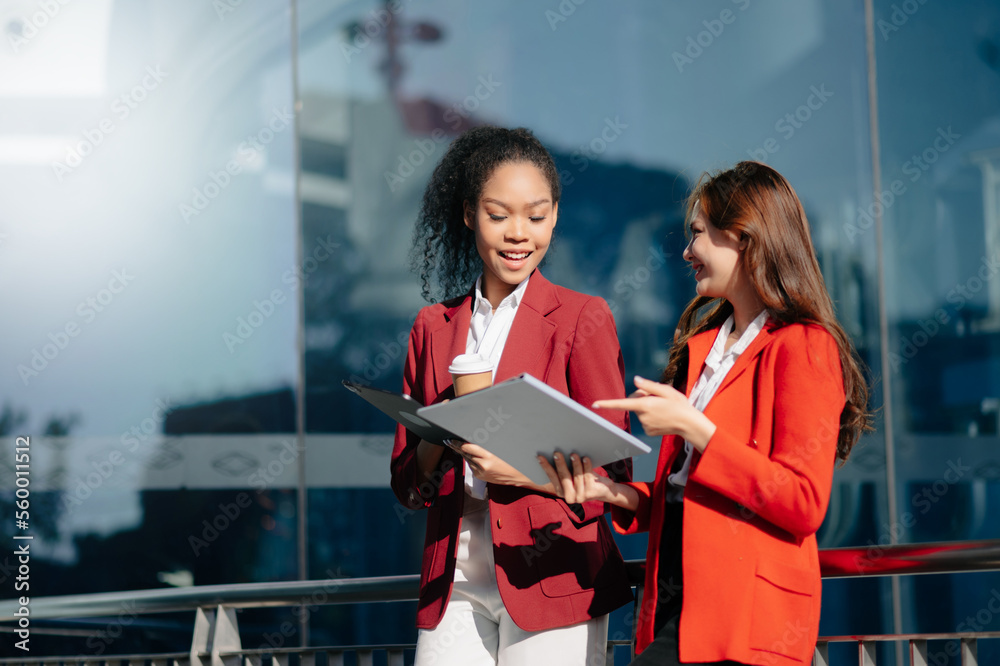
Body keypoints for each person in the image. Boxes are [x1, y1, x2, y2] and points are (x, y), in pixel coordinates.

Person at [540, 161, 872, 665]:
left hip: (745, 615)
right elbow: (690, 492)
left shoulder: (804, 347)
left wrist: (697, 428)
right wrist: (620, 494)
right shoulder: (703, 349)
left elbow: (804, 501)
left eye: (698, 234)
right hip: (674, 598)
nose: (686, 251)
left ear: (744, 237)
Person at [390, 126, 634, 666]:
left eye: (537, 215)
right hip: (453, 578)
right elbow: (408, 486)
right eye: (499, 216)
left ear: (555, 216)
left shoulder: (581, 319)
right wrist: (442, 428)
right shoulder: (433, 327)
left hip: (554, 571)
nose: (518, 233)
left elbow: (612, 483)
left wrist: (518, 472)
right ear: (468, 215)